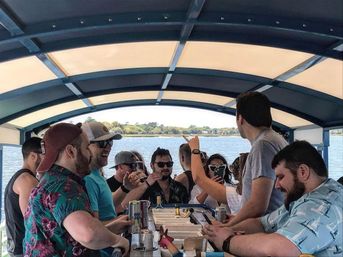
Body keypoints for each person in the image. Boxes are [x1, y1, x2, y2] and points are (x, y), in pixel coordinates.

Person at [202, 140, 342, 256]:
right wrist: (225, 229)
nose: (276, 185)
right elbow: (262, 223)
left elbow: (279, 248)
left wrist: (227, 241)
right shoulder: (302, 199)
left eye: (281, 177)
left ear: (303, 172)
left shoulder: (323, 204)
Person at [23, 123, 129, 257]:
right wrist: (117, 240)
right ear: (71, 151)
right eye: (86, 148)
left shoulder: (50, 180)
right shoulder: (62, 186)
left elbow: (69, 232)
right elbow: (88, 234)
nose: (90, 153)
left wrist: (112, 228)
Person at [189, 92, 288, 226]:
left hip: (266, 231)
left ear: (240, 118)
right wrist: (237, 217)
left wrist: (229, 226)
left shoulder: (263, 146)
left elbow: (258, 205)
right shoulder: (274, 139)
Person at [4, 137, 42, 257]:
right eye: (44, 154)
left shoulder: (19, 176)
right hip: (23, 249)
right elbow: (33, 219)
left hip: (16, 245)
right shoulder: (27, 180)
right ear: (33, 156)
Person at [123, 147, 189, 205]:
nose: (165, 167)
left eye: (169, 164)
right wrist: (146, 184)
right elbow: (125, 204)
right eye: (161, 164)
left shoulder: (180, 188)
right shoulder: (142, 185)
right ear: (152, 166)